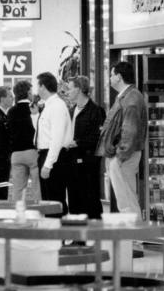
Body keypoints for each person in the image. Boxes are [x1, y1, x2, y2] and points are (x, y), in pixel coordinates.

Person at [96, 62, 148, 218]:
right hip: (122, 155)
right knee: (125, 198)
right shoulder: (127, 96)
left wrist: (120, 155)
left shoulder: (131, 98)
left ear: (119, 77)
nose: (110, 78)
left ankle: (134, 237)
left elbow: (130, 130)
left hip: (124, 156)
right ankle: (133, 236)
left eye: (111, 74)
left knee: (126, 201)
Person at [66, 76, 105, 219]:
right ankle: (78, 237)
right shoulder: (70, 111)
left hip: (88, 163)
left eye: (70, 88)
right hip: (71, 161)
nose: (67, 92)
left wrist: (78, 142)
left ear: (78, 89)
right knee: (74, 198)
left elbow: (99, 137)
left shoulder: (96, 111)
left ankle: (95, 235)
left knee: (90, 198)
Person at [36, 72, 72, 217]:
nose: (37, 90)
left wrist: (48, 164)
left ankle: (60, 237)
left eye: (38, 86)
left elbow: (56, 139)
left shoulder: (57, 106)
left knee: (54, 200)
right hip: (46, 155)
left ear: (43, 87)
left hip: (54, 158)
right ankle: (55, 235)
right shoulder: (48, 105)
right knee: (48, 201)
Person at [7, 81, 40, 202]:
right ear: (28, 93)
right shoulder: (33, 109)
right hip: (32, 153)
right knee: (37, 188)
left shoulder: (11, 111)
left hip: (16, 155)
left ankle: (18, 214)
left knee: (18, 190)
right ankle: (39, 213)